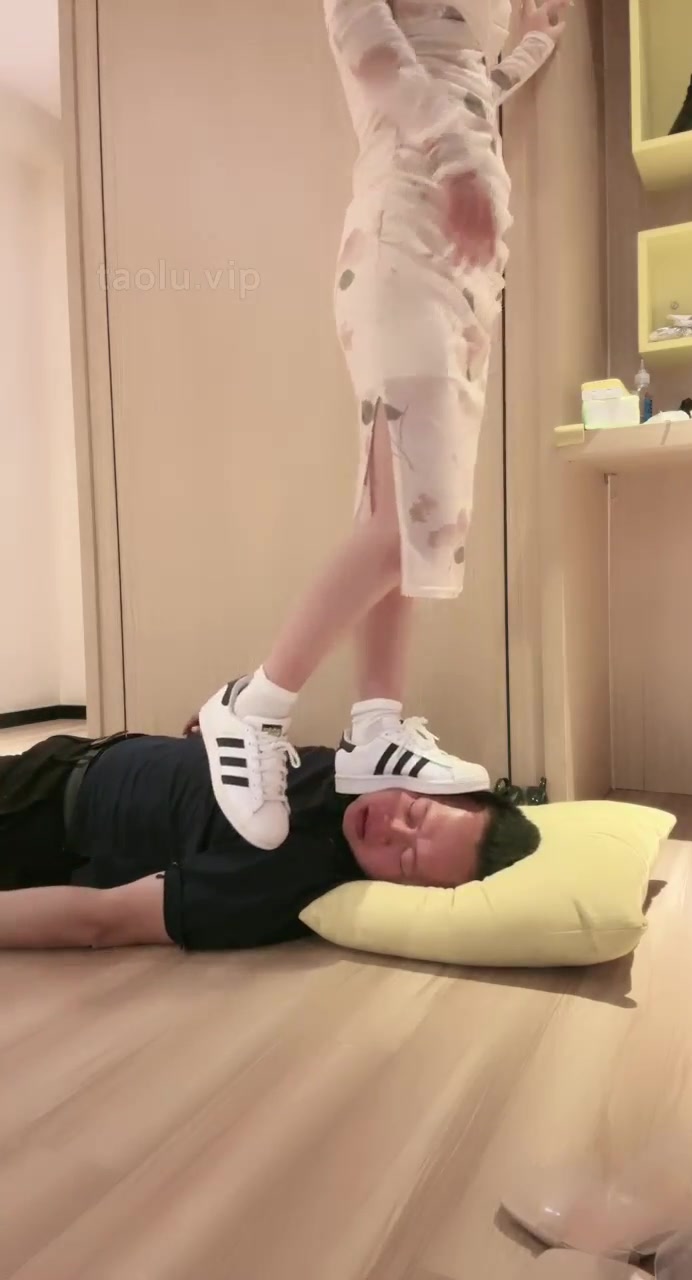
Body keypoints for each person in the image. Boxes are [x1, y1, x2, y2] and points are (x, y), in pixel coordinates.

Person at [199, 0, 569, 852]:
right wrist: (457, 159)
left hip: (456, 250)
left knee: (408, 517)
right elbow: (361, 37)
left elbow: (459, 80)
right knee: (406, 518)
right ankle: (252, 706)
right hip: (408, 220)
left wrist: (530, 48)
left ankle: (376, 727)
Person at [0, 728, 540, 950]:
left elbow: (103, 919)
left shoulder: (284, 878)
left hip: (29, 818)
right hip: (62, 758)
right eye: (416, 813)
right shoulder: (361, 771)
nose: (389, 829)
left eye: (405, 861)